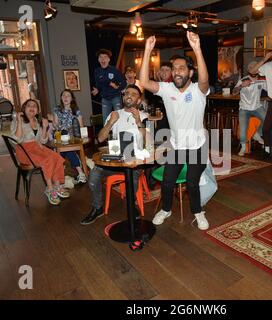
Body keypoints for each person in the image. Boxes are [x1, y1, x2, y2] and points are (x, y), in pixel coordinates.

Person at [140, 32, 210, 230]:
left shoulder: (198, 90)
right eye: (174, 68)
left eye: (181, 68)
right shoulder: (166, 89)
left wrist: (197, 49)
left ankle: (198, 211)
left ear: (190, 72)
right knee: (168, 181)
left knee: (192, 182)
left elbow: (205, 79)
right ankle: (166, 209)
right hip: (178, 146)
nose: (177, 71)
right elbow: (144, 82)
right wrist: (147, 50)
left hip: (197, 146)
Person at [81, 84, 148, 225]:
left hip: (134, 160)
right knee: (94, 174)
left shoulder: (144, 116)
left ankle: (132, 205)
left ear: (139, 100)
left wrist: (138, 121)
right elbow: (100, 138)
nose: (129, 95)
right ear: (123, 96)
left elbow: (146, 143)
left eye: (134, 94)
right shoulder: (115, 114)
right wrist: (110, 122)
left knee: (133, 177)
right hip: (116, 159)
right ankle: (97, 207)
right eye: (127, 93)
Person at [11, 99, 70, 205]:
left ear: (37, 111)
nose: (32, 107)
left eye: (35, 106)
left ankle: (58, 186)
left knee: (56, 157)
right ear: (24, 109)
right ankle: (50, 189)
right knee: (47, 159)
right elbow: (17, 140)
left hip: (37, 148)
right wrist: (19, 122)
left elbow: (43, 141)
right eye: (29, 105)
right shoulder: (17, 121)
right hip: (24, 151)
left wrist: (45, 128)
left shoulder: (37, 123)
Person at [232, 61, 267, 156]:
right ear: (248, 70)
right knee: (243, 128)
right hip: (244, 108)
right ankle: (243, 147)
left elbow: (271, 89)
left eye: (255, 66)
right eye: (251, 66)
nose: (253, 67)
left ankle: (256, 133)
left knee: (268, 120)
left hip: (257, 106)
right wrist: (241, 85)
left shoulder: (262, 80)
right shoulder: (243, 79)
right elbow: (234, 92)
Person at [53, 89, 87, 184]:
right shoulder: (57, 110)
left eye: (68, 96)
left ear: (72, 99)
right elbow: (55, 126)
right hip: (60, 137)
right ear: (61, 98)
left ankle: (60, 171)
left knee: (66, 149)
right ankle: (81, 173)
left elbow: (81, 126)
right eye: (64, 95)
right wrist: (55, 123)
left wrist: (83, 136)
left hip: (72, 138)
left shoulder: (76, 111)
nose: (66, 98)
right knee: (65, 139)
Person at [91, 49, 127, 123]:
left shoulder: (114, 70)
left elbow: (124, 83)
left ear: (108, 59)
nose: (103, 59)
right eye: (101, 57)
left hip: (116, 97)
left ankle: (119, 134)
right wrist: (97, 89)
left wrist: (117, 87)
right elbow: (99, 84)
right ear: (98, 60)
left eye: (105, 57)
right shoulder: (97, 71)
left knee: (119, 119)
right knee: (106, 121)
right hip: (105, 99)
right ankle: (107, 134)